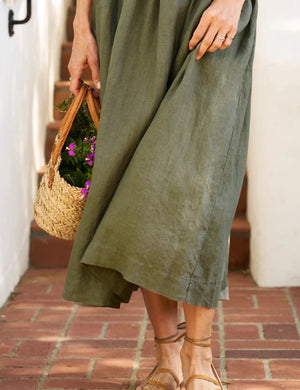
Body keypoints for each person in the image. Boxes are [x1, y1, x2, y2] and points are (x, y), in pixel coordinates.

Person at [63, 0, 258, 389]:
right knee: (139, 178)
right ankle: (167, 354)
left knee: (197, 176)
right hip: (125, 14)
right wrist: (81, 25)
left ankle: (199, 354)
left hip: (208, 8)